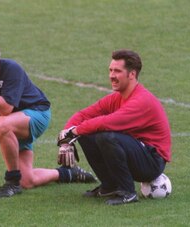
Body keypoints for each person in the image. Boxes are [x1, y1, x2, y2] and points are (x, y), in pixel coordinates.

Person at [0, 40, 96, 198]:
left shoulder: (11, 70)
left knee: (1, 124)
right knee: (27, 180)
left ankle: (12, 182)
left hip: (37, 114)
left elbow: (5, 109)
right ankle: (68, 173)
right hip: (13, 125)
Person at [57, 49, 171, 205]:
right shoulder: (116, 98)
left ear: (132, 74)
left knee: (106, 136)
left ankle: (128, 192)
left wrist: (74, 131)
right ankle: (110, 186)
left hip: (152, 162)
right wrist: (66, 137)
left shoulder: (141, 101)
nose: (111, 75)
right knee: (89, 134)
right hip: (137, 151)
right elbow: (83, 115)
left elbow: (107, 123)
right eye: (110, 70)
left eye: (117, 71)